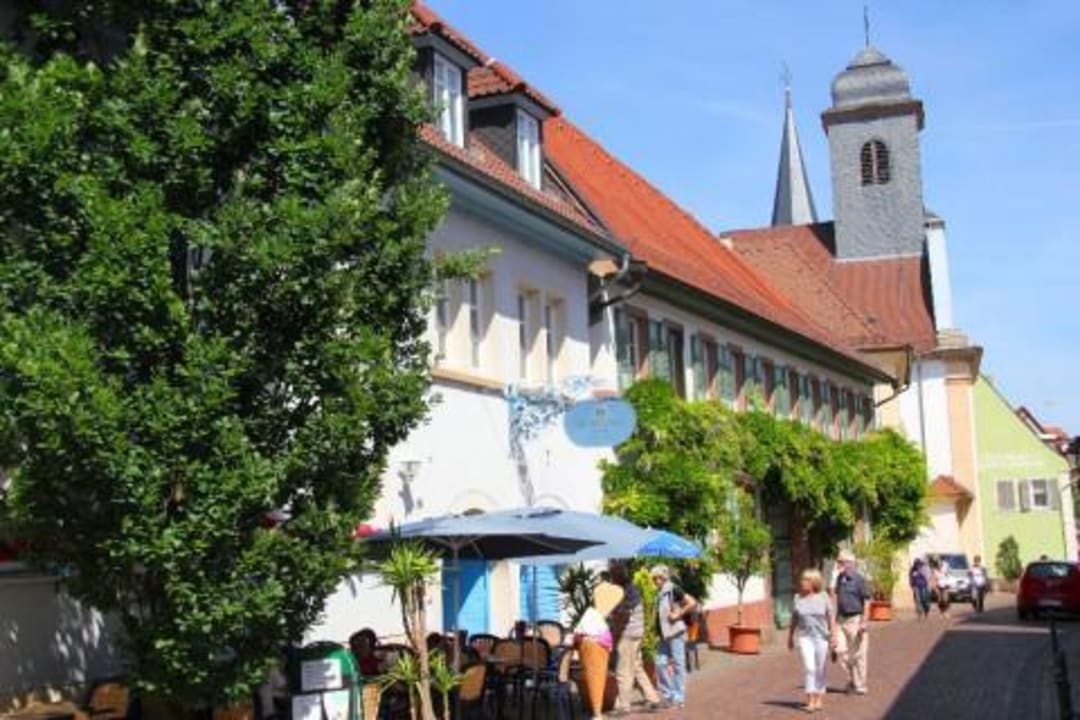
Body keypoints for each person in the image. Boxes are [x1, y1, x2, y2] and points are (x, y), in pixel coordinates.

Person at [608, 563, 664, 716]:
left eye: (612, 575)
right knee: (636, 666)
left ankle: (624, 707)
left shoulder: (624, 591)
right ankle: (653, 698)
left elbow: (622, 615)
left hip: (628, 634)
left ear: (617, 576)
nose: (611, 578)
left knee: (622, 670)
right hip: (637, 633)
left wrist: (613, 627)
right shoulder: (631, 588)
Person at [651, 564, 697, 709]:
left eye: (656, 578)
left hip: (676, 632)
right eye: (653, 578)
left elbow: (692, 603)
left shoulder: (673, 589)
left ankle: (678, 697)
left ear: (662, 577)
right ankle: (668, 695)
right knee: (660, 663)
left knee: (678, 665)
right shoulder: (658, 593)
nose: (654, 581)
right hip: (663, 635)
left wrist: (678, 614)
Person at [788, 569, 833, 714]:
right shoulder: (797, 598)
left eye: (806, 580)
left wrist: (834, 636)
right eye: (802, 579)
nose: (802, 582)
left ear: (814, 582)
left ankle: (819, 696)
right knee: (809, 668)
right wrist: (790, 636)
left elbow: (831, 617)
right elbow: (794, 618)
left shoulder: (824, 596)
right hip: (805, 637)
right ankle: (810, 700)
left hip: (821, 637)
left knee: (820, 668)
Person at [831, 549, 870, 695]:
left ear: (849, 564)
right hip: (841, 619)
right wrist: (833, 624)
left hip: (856, 619)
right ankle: (851, 678)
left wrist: (864, 622)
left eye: (841, 562)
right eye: (838, 562)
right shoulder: (839, 579)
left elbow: (866, 601)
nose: (838, 564)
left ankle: (859, 684)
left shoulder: (859, 579)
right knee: (840, 650)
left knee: (859, 654)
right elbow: (834, 599)